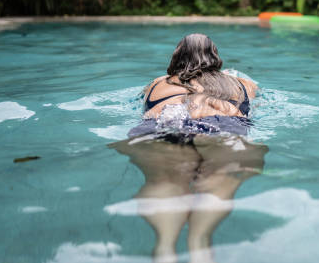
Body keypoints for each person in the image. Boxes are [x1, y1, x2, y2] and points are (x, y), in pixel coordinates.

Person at [110, 33, 267, 263]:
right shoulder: (241, 84)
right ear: (216, 57)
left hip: (166, 123)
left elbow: (140, 102)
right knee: (220, 178)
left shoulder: (158, 83)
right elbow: (259, 99)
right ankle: (199, 245)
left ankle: (165, 247)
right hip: (222, 125)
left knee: (164, 180)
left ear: (177, 57)